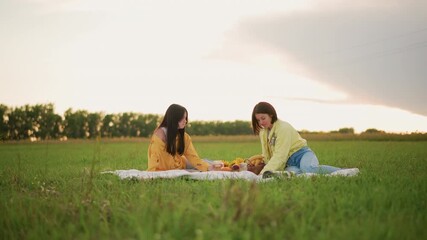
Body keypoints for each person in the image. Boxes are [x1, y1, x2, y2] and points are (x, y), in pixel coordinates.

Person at [251, 101, 358, 177]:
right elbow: (266, 154)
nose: (261, 122)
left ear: (271, 115)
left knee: (309, 169)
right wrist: (257, 164)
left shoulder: (283, 128)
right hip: (289, 163)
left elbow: (280, 155)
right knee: (294, 174)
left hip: (302, 154)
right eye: (258, 120)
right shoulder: (263, 133)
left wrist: (262, 173)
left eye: (263, 118)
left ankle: (344, 171)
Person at [147, 104, 213, 172]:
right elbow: (154, 157)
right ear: (174, 118)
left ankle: (218, 164)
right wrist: (151, 173)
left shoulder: (184, 136)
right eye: (182, 118)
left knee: (205, 163)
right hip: (168, 168)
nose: (185, 121)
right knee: (201, 164)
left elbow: (192, 156)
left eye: (186, 118)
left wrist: (209, 167)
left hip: (180, 164)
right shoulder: (160, 134)